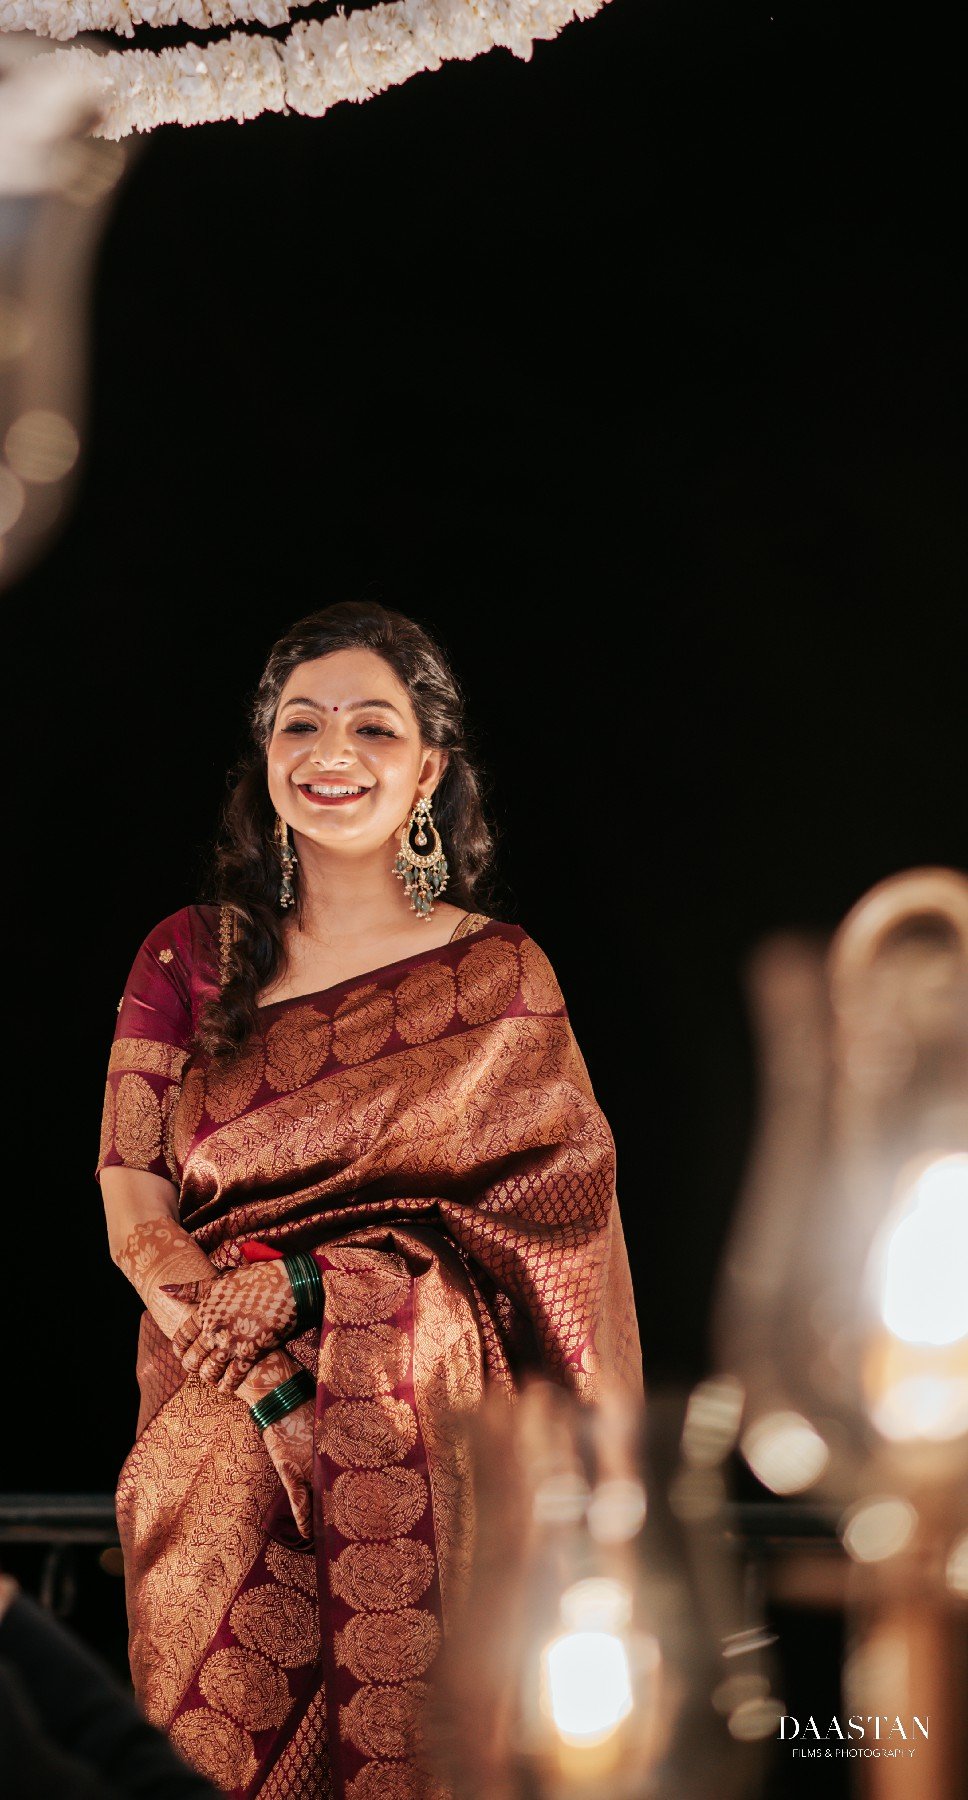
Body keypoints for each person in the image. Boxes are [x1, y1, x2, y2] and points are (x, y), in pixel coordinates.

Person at [96, 600, 644, 1798]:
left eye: (373, 727)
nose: (330, 752)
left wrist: (317, 1285)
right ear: (266, 752)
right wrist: (254, 1369)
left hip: (427, 1417)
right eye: (300, 724)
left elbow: (556, 1222)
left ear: (428, 768)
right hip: (211, 1410)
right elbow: (133, 1203)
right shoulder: (189, 957)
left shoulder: (498, 978)